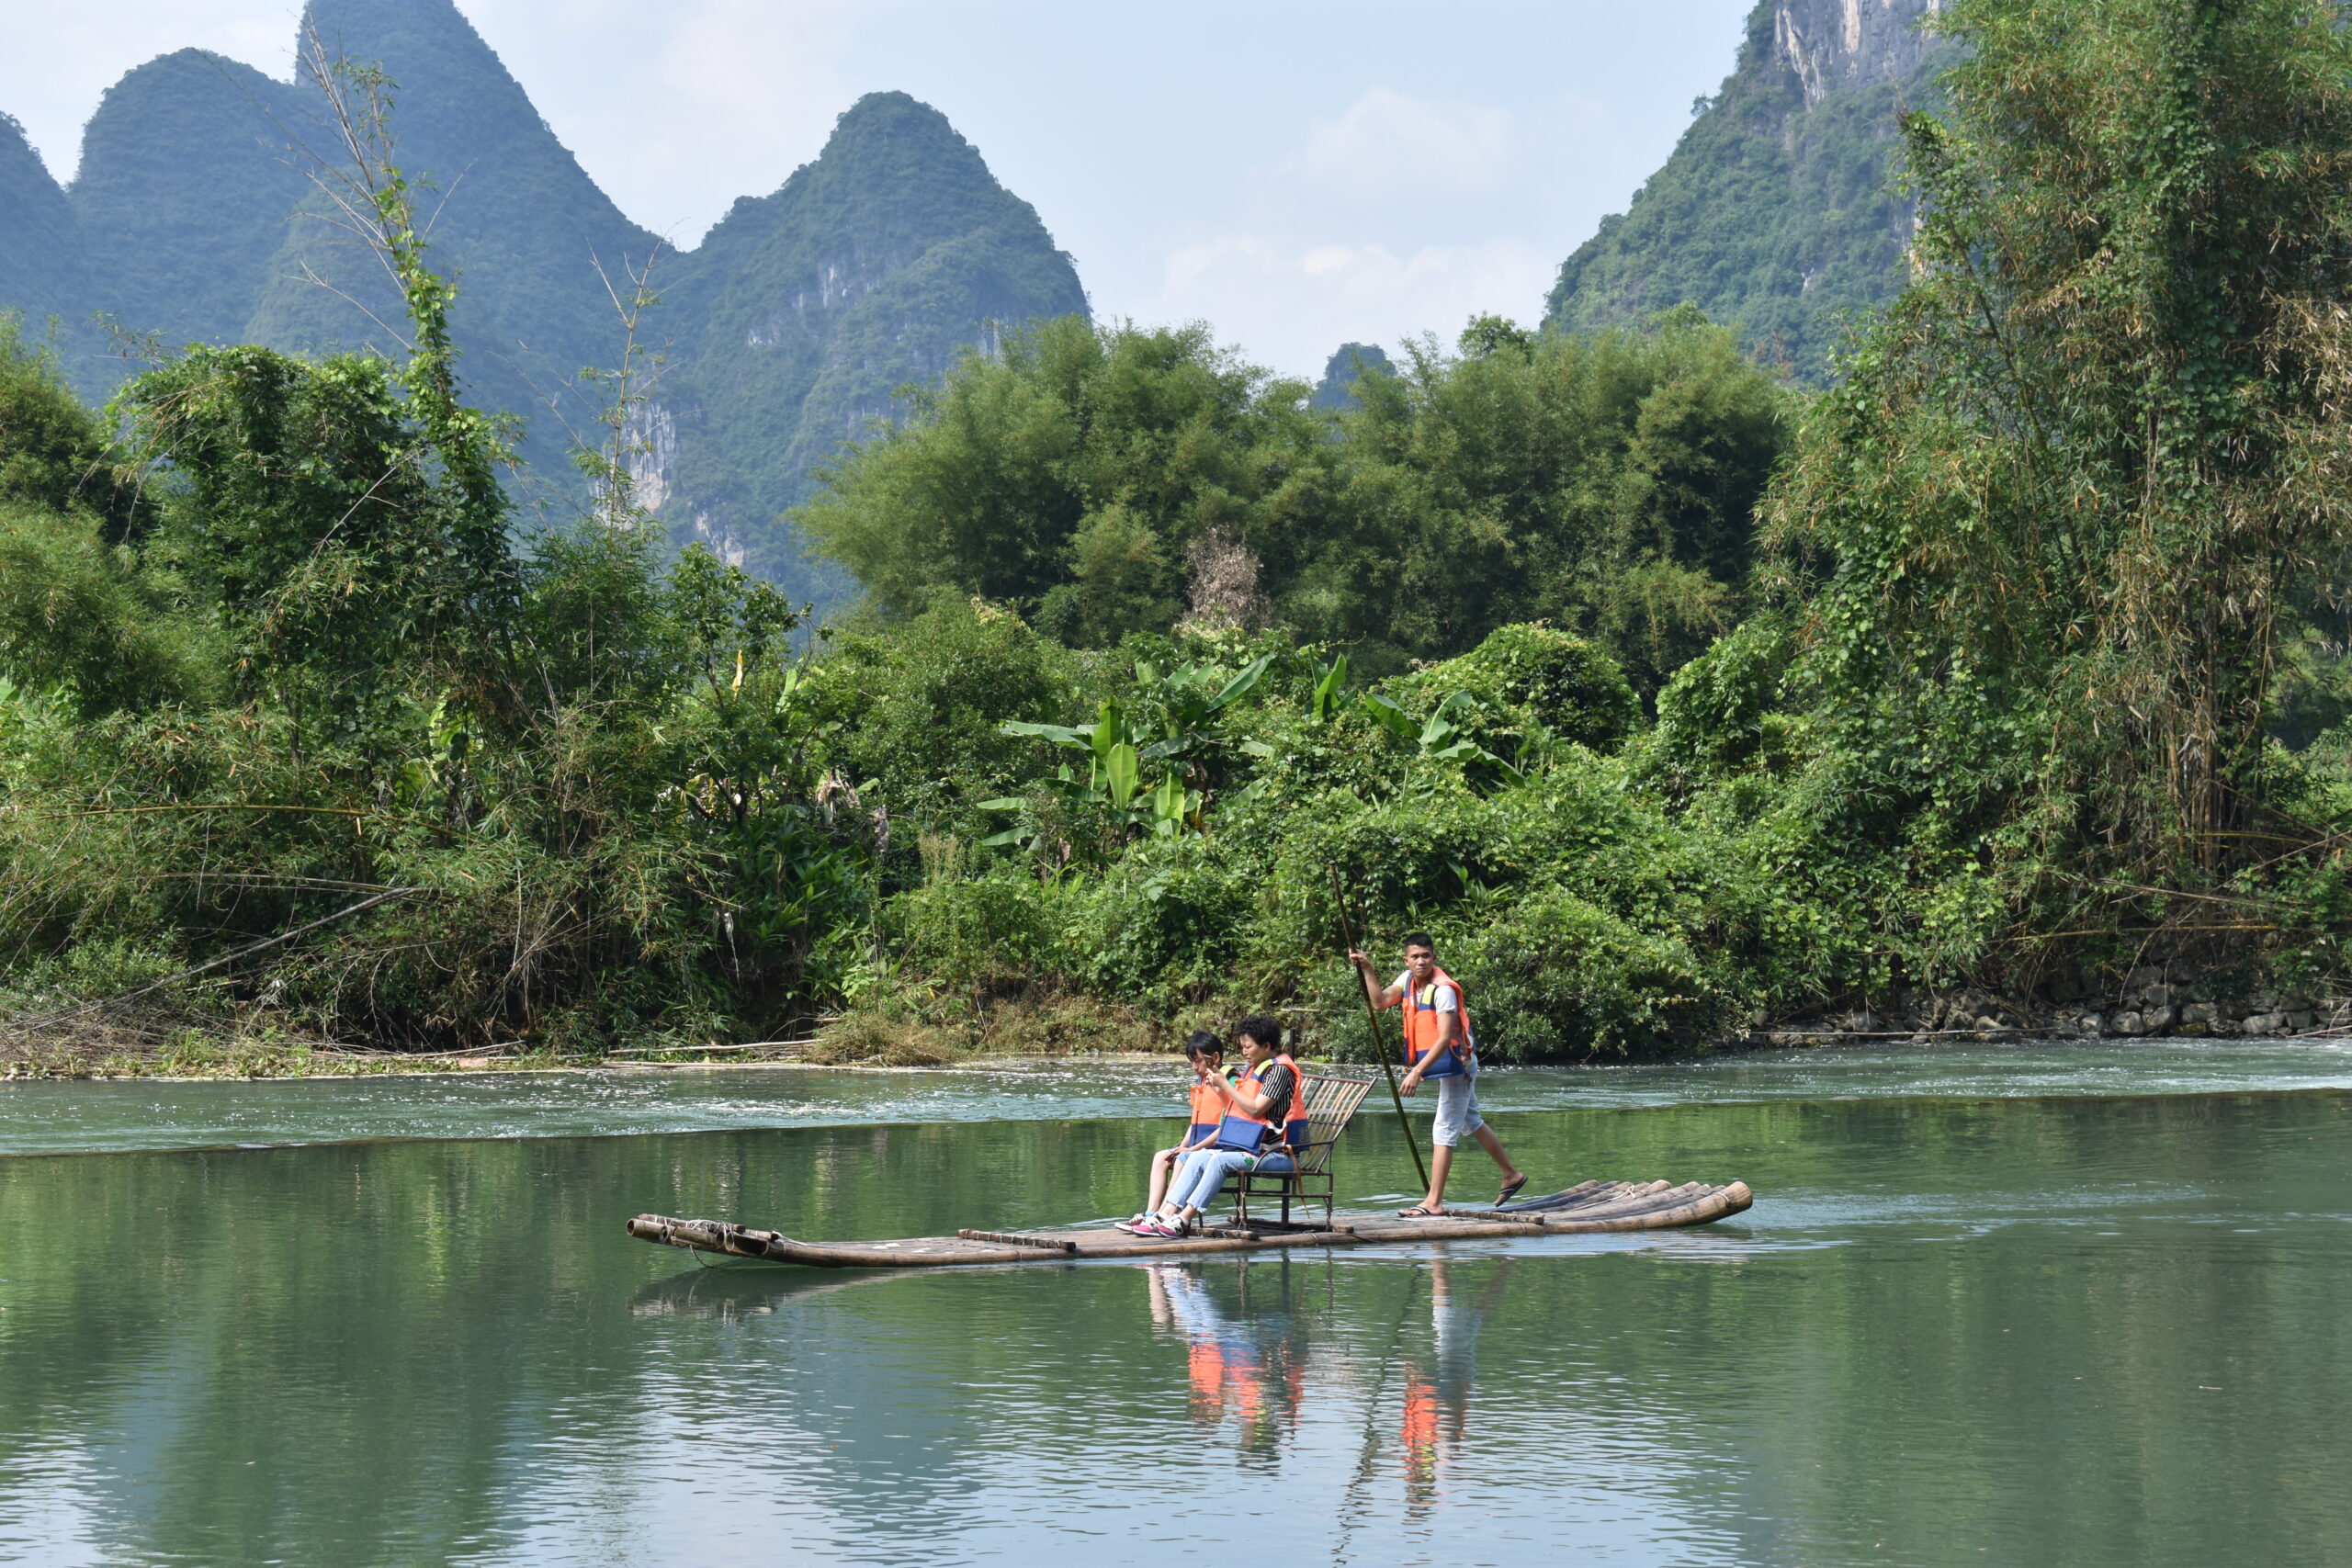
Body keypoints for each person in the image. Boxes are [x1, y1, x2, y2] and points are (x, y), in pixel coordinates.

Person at [1348, 931, 1526, 1216]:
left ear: (1434, 958)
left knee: (1443, 1129)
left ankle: (1434, 1203)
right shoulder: (1406, 981)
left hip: (1459, 1064)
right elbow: (1380, 1002)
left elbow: (1444, 1038)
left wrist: (1416, 1072)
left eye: (1426, 956)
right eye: (1415, 957)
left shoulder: (1443, 990)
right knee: (1470, 1122)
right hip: (1445, 1064)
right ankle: (1511, 1175)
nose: (1421, 962)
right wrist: (1368, 969)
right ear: (1406, 961)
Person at [1132, 1016, 1300, 1237]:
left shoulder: (1279, 1072)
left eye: (1248, 1047)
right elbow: (1236, 1110)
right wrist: (1221, 1088)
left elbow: (1255, 1109)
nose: (1244, 1052)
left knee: (1219, 1160)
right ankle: (1164, 1215)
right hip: (1252, 1149)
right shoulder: (1254, 1070)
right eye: (1242, 1047)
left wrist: (1223, 1085)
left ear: (1266, 1046)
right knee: (1197, 1157)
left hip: (1277, 1155)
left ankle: (1183, 1220)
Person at [1117, 1032, 1232, 1235]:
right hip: (1195, 1146)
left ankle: (1165, 1214)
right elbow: (1195, 1122)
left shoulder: (1228, 1081)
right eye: (1192, 1062)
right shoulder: (1202, 1081)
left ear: (1214, 1058)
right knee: (1162, 1156)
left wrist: (1192, 1149)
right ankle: (1151, 1213)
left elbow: (1228, 1124)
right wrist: (1183, 1144)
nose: (1194, 1067)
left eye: (1197, 1061)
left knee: (1183, 1159)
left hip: (1215, 1148)